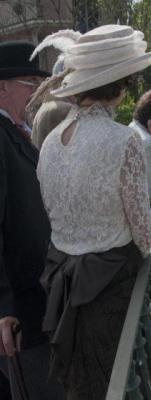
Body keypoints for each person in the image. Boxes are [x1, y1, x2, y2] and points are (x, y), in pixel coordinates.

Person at [36, 25, 151, 398]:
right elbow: (144, 232)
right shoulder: (125, 140)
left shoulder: (50, 142)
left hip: (62, 281)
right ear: (119, 88)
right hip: (111, 287)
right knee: (119, 381)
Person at [0, 38, 65, 400]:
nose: (37, 94)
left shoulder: (15, 132)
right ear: (2, 87)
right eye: (31, 84)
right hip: (20, 311)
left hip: (37, 299)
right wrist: (3, 308)